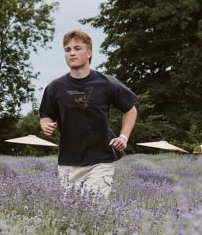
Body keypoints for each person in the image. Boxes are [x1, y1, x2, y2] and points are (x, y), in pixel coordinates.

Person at [39, 29, 137, 200]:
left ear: (89, 53)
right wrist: (46, 125)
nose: (72, 53)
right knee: (73, 215)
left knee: (93, 208)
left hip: (100, 161)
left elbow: (130, 110)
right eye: (68, 50)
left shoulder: (107, 83)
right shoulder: (55, 87)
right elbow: (45, 115)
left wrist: (123, 137)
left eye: (77, 48)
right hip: (68, 162)